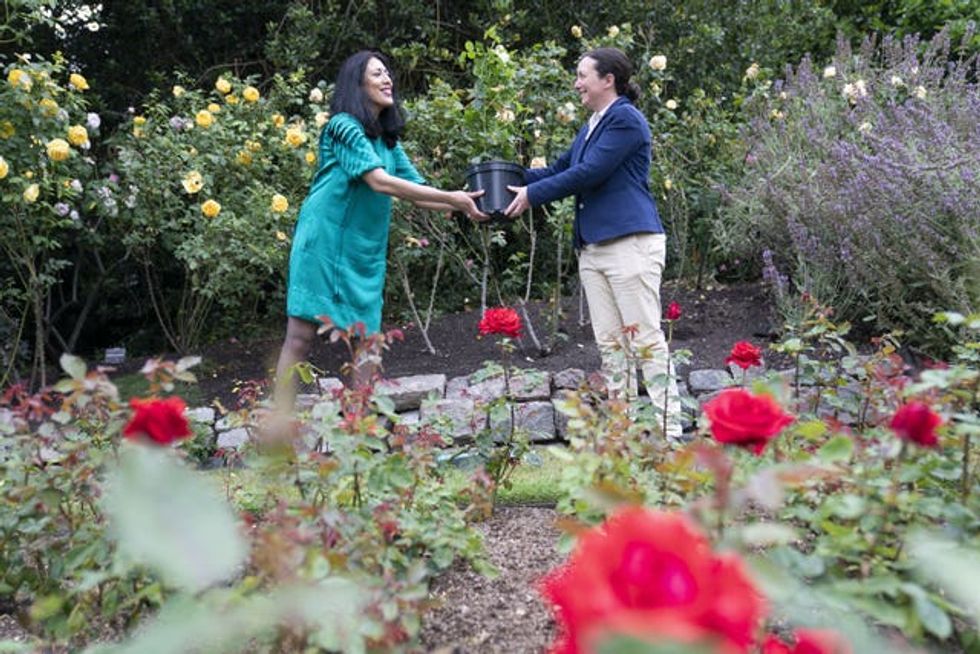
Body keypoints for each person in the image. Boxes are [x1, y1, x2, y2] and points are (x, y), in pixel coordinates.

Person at [276, 50, 487, 405]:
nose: (388, 79)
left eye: (388, 73)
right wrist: (453, 199)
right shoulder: (342, 125)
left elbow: (421, 194)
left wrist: (471, 204)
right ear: (357, 84)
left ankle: (360, 431)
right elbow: (379, 181)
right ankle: (274, 427)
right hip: (324, 242)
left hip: (363, 251)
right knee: (300, 335)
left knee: (368, 341)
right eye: (377, 74)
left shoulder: (387, 143)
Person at [504, 47, 682, 438]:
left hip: (629, 244)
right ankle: (625, 433)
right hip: (595, 249)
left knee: (646, 339)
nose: (577, 82)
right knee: (611, 345)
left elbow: (590, 172)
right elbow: (558, 169)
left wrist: (532, 197)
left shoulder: (625, 120)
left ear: (608, 80)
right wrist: (503, 182)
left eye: (583, 75)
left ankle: (670, 434)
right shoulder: (592, 125)